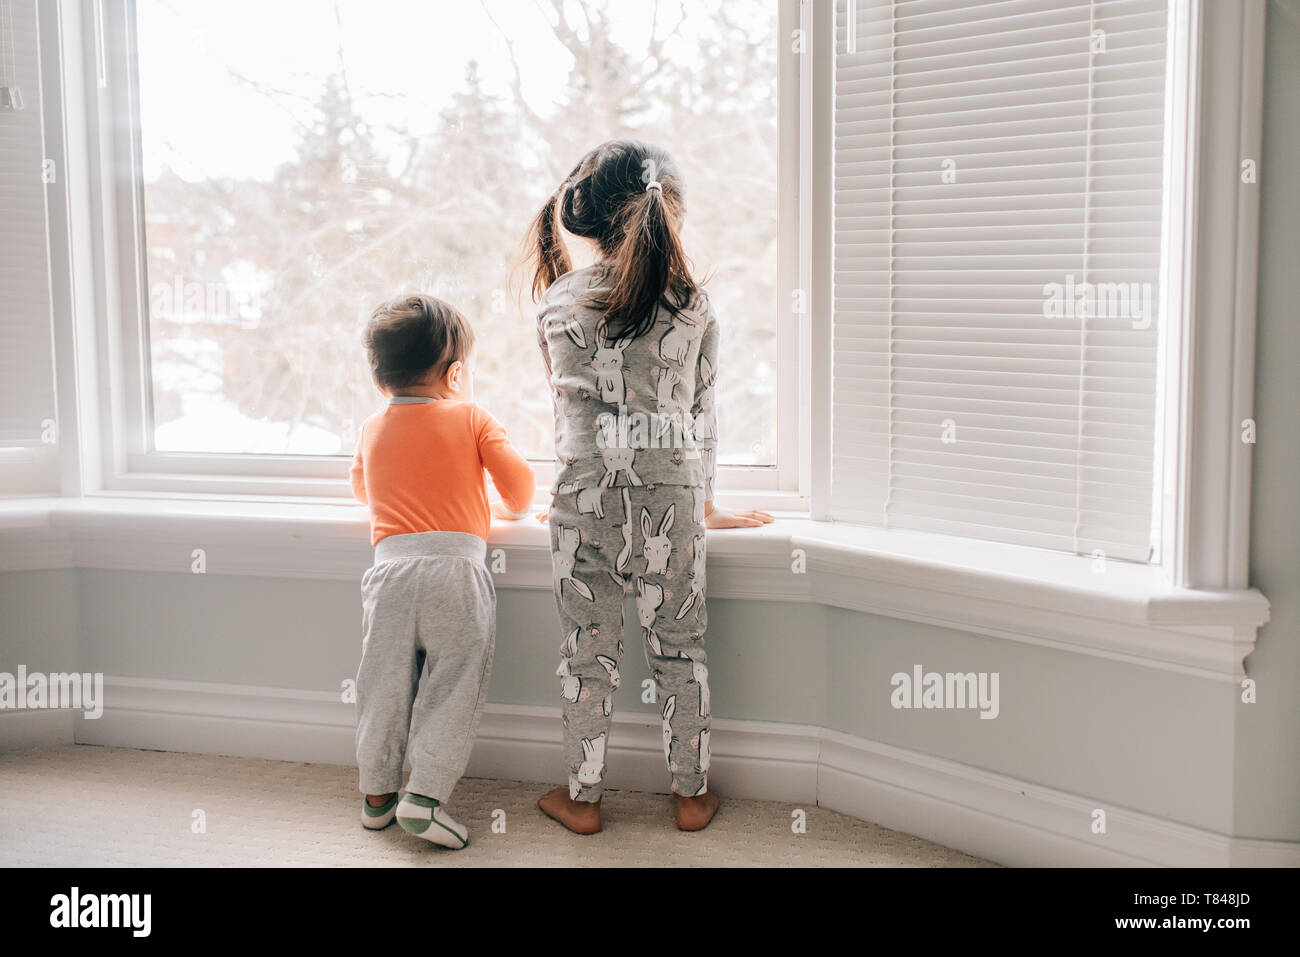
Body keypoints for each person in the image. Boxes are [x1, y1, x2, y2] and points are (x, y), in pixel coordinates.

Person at [522, 139, 773, 834]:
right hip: (674, 494)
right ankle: (691, 795)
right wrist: (707, 503)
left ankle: (582, 798)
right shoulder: (693, 304)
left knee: (586, 648)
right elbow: (702, 413)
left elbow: (564, 404)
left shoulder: (557, 303)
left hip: (584, 498)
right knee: (679, 648)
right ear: (671, 214)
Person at [349, 293, 534, 848]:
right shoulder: (472, 416)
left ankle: (377, 796)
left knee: (382, 685)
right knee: (453, 685)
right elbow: (521, 494)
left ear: (381, 376)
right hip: (455, 571)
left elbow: (363, 491)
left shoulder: (372, 428)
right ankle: (424, 797)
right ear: (455, 374)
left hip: (390, 575)